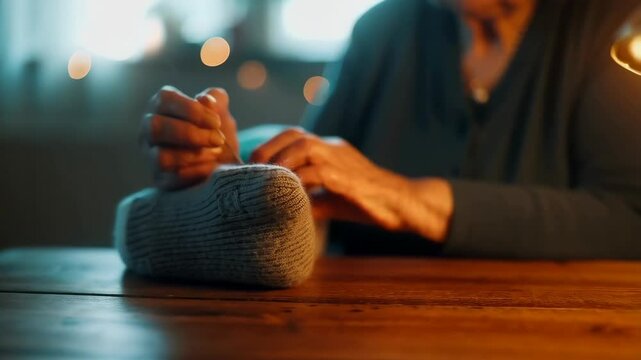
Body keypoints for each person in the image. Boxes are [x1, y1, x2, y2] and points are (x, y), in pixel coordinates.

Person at [138, 0, 641, 259]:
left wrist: (403, 196)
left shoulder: (612, 26)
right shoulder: (384, 28)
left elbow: (628, 218)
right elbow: (309, 194)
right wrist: (227, 181)